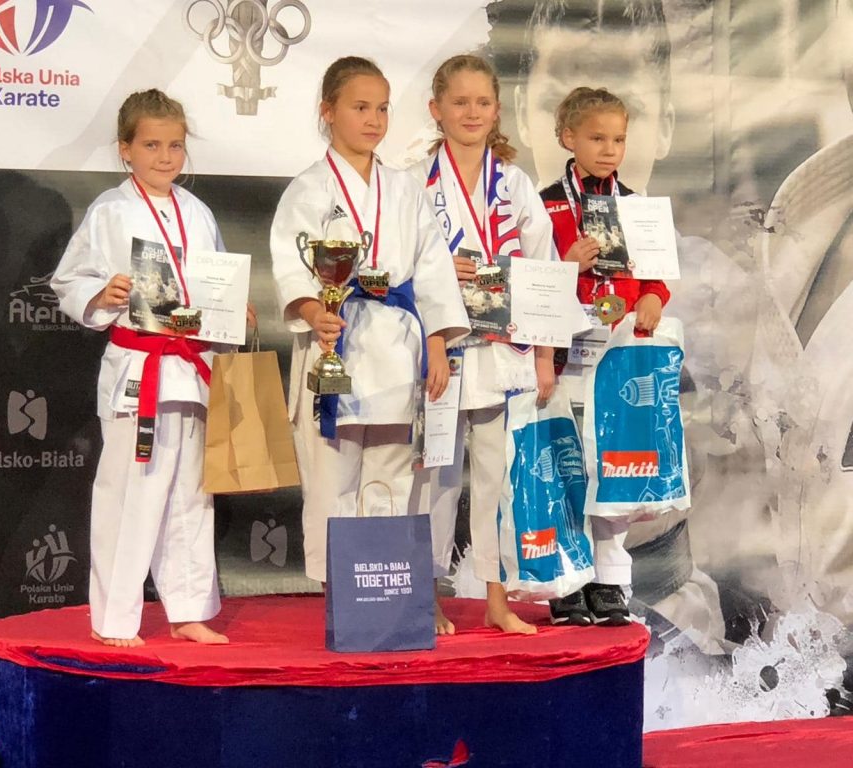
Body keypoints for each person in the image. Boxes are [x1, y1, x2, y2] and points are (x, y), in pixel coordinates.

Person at [270, 56, 470, 586]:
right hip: (335, 343)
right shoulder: (308, 188)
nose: (374, 120)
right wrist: (314, 311)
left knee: (395, 476)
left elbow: (432, 267)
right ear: (328, 111)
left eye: (382, 109)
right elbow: (290, 266)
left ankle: (386, 590)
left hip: (399, 348)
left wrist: (437, 342)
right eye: (360, 108)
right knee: (331, 478)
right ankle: (339, 594)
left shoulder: (404, 188)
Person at [51, 89, 240, 647]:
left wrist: (232, 309)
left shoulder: (198, 212)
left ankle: (188, 610)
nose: (165, 156)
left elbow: (215, 283)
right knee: (131, 492)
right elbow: (69, 280)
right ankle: (113, 618)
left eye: (175, 145)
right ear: (125, 149)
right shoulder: (110, 211)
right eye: (152, 145)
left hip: (192, 367)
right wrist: (102, 293)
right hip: (140, 369)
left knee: (190, 495)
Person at [409, 54, 555, 635]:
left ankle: (497, 599)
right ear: (436, 108)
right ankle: (429, 595)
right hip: (440, 352)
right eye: (460, 102)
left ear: (497, 110)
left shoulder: (515, 184)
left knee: (497, 480)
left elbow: (543, 272)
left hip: (502, 352)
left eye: (482, 102)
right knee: (436, 479)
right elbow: (399, 268)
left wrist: (545, 357)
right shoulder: (414, 183)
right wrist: (440, 275)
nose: (471, 112)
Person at [538, 86, 671, 626]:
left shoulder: (638, 206)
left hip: (618, 356)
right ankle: (565, 579)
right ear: (568, 138)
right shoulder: (544, 204)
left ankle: (610, 580)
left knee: (612, 469)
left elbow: (657, 276)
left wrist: (653, 296)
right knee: (566, 467)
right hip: (565, 356)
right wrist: (565, 264)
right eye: (597, 138)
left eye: (618, 139)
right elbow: (530, 284)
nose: (610, 149)